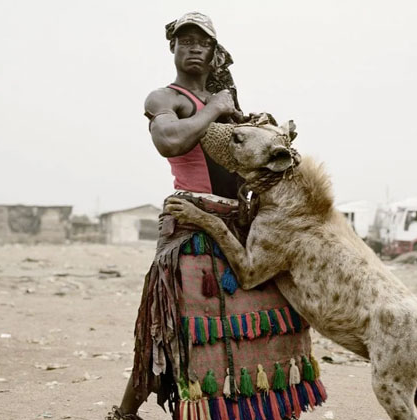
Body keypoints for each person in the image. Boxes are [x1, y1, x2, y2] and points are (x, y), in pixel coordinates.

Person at [108, 12, 326, 420]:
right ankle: (125, 414)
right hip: (192, 222)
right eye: (185, 40)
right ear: (172, 47)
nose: (193, 48)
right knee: (174, 329)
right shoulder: (165, 98)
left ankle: (267, 409)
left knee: (271, 319)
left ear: (213, 52)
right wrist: (215, 109)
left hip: (242, 224)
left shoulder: (227, 102)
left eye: (202, 42)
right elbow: (169, 141)